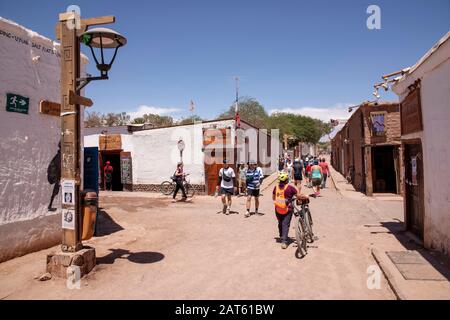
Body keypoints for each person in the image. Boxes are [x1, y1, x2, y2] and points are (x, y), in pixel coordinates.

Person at [273, 172, 301, 249]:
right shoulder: (290, 188)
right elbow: (298, 195)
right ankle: (284, 241)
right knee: (285, 224)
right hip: (287, 209)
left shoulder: (276, 187)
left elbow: (273, 197)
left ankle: (281, 236)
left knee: (280, 222)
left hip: (278, 208)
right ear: (286, 180)